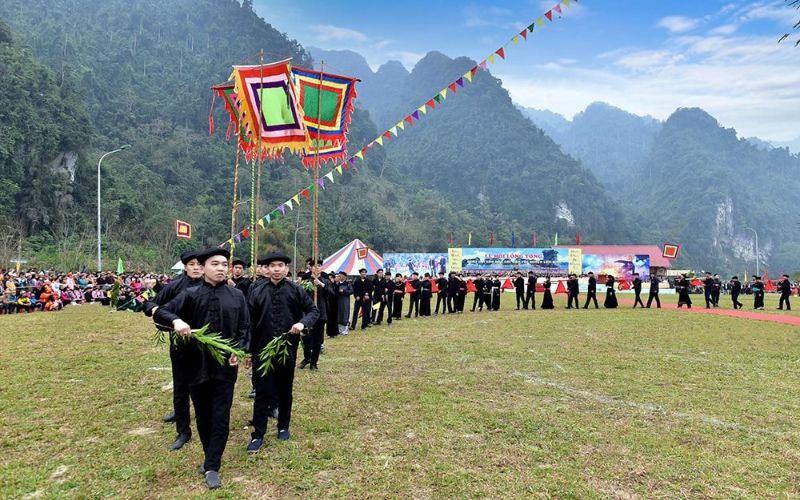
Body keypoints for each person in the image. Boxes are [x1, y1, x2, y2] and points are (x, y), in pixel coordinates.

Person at [153, 248, 250, 490]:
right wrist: (177, 321)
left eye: (223, 264)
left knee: (221, 415)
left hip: (225, 367)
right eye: (214, 264)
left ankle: (212, 466)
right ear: (203, 267)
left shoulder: (237, 296)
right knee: (203, 415)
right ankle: (209, 457)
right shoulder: (190, 294)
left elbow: (245, 330)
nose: (220, 268)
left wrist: (238, 351)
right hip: (195, 365)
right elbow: (160, 312)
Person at [246, 251, 319, 454]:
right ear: (267, 269)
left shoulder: (295, 290)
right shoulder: (256, 290)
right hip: (262, 350)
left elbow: (313, 311)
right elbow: (249, 322)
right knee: (262, 392)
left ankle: (283, 426)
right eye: (273, 266)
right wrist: (248, 352)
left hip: (287, 349)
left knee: (285, 390)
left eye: (280, 265)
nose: (277, 269)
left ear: (287, 268)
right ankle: (258, 434)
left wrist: (301, 323)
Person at [144, 250, 203, 451]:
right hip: (181, 344)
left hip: (207, 345)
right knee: (181, 385)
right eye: (192, 264)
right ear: (185, 267)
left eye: (199, 264)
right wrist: (155, 311)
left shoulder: (211, 284)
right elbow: (152, 304)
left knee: (205, 386)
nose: (196, 267)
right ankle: (183, 430)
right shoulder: (176, 286)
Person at [299, 259, 333, 371]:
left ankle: (314, 362)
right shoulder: (306, 279)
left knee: (318, 339)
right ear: (311, 267)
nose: (317, 268)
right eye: (315, 266)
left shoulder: (325, 279)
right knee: (306, 338)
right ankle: (306, 358)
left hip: (320, 313)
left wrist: (321, 284)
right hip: (308, 313)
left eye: (319, 266)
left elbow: (332, 293)